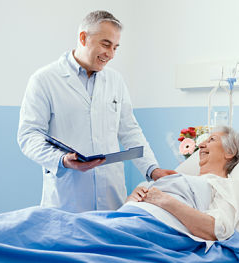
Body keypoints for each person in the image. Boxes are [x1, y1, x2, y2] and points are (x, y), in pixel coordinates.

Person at [0, 126, 239, 262]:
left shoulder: (229, 185)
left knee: (41, 227)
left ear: (230, 153)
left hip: (154, 231)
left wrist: (165, 200)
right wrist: (134, 199)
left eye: (212, 140)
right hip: (123, 221)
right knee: (43, 222)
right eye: (204, 140)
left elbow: (218, 229)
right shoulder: (181, 177)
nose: (203, 144)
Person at [17, 10, 175, 213]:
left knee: (110, 242)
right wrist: (62, 160)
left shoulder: (115, 80)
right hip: (68, 196)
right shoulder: (44, 79)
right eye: (105, 44)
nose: (110, 54)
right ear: (83, 38)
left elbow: (130, 131)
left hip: (111, 192)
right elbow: (29, 135)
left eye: (115, 47)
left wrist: (152, 169)